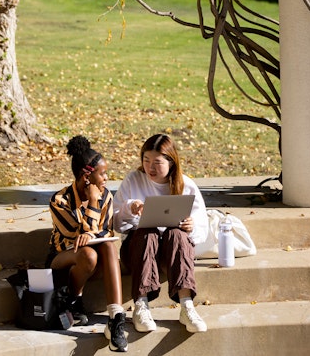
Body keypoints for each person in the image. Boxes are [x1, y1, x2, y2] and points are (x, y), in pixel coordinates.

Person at [114, 133, 208, 334]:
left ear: (171, 162)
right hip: (139, 250)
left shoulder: (186, 184)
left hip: (171, 254)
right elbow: (114, 223)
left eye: (157, 162)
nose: (150, 168)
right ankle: (141, 305)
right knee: (148, 231)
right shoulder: (133, 180)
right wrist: (129, 208)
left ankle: (187, 307)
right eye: (146, 161)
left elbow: (202, 230)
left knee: (177, 234)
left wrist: (192, 227)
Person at [48, 136, 127, 351]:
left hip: (96, 257)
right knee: (88, 255)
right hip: (63, 257)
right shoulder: (59, 200)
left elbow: (105, 231)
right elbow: (75, 236)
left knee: (108, 246)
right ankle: (74, 301)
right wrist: (92, 202)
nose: (106, 179)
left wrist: (91, 234)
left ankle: (115, 318)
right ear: (87, 175)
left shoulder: (107, 196)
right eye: (102, 174)